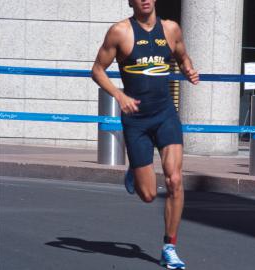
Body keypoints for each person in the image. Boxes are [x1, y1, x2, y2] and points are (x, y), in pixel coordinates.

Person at [92, 0, 199, 269]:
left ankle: (169, 247)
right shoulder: (120, 32)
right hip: (136, 120)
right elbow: (97, 70)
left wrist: (189, 69)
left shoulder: (172, 29)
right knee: (149, 194)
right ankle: (135, 172)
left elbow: (183, 56)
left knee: (175, 180)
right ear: (131, 1)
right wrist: (119, 95)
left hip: (165, 115)